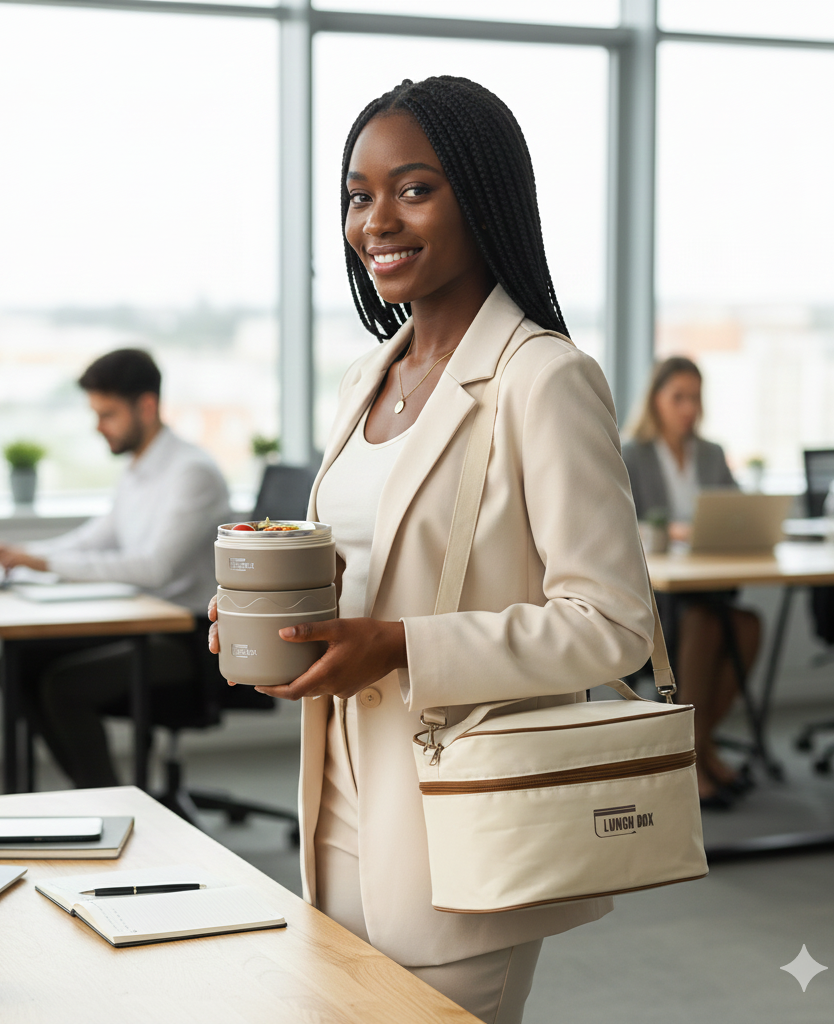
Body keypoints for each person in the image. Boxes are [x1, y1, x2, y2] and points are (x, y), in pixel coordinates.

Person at [209, 77, 654, 1024]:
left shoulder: (543, 378)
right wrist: (277, 608)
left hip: (463, 816)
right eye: (358, 196)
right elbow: (376, 562)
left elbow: (614, 625)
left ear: (484, 196)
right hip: (340, 801)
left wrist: (401, 646)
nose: (377, 221)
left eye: (414, 189)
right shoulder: (367, 379)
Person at [0, 348, 231, 788]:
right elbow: (94, 538)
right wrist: (20, 555)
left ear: (146, 406)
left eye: (108, 414)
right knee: (15, 666)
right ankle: (96, 792)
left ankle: (111, 803)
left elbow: (155, 567)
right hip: (140, 621)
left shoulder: (192, 473)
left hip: (188, 636)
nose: (99, 426)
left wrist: (42, 561)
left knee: (64, 685)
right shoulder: (139, 469)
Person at [623, 355, 762, 808]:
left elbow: (736, 515)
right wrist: (673, 531)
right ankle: (695, 760)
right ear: (656, 400)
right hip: (655, 601)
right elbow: (619, 524)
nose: (688, 408)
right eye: (678, 397)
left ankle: (698, 748)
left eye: (695, 398)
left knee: (748, 626)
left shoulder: (711, 453)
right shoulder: (632, 453)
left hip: (706, 586)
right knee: (703, 622)